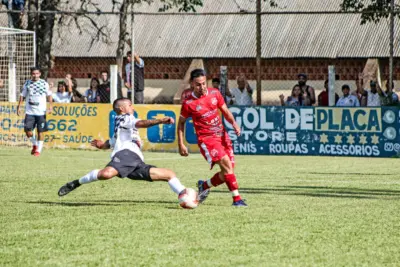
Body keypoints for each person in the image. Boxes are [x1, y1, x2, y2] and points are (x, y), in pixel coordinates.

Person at [58, 98, 190, 201]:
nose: (132, 107)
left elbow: (112, 142)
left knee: (168, 174)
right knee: (106, 174)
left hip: (136, 161)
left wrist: (103, 145)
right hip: (126, 155)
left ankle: (184, 192)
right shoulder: (125, 118)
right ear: (122, 108)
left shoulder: (120, 125)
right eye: (130, 105)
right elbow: (141, 123)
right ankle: (75, 183)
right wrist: (161, 120)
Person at [177, 69, 247, 207]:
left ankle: (204, 185)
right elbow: (181, 123)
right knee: (227, 165)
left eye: (203, 83)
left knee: (228, 170)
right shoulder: (188, 103)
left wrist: (234, 124)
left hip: (222, 136)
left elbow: (225, 111)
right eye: (198, 84)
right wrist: (181, 144)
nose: (201, 87)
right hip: (207, 139)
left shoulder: (215, 93)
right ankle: (237, 199)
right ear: (192, 83)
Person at [17, 67, 53, 157]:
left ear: (40, 74)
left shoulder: (44, 83)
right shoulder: (27, 83)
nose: (35, 75)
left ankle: (38, 151)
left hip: (41, 112)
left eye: (37, 73)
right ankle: (35, 144)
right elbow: (22, 95)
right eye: (33, 73)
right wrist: (19, 106)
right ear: (31, 74)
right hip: (30, 112)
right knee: (27, 130)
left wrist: (51, 106)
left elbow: (49, 95)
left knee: (40, 131)